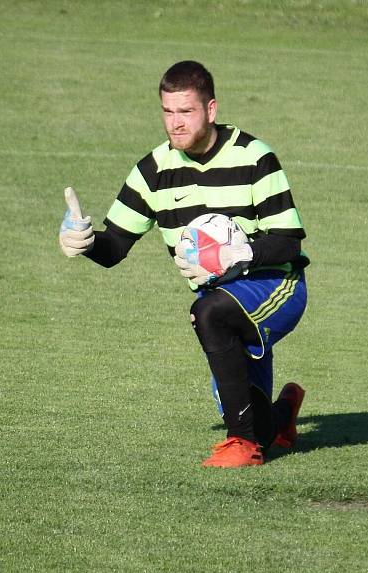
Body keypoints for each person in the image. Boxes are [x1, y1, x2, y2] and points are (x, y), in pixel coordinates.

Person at [59, 60, 309, 468]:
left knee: (207, 312)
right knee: (252, 416)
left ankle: (239, 446)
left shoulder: (255, 158)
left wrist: (243, 253)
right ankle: (278, 419)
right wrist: (84, 241)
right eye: (168, 112)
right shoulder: (153, 170)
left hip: (276, 286)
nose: (175, 123)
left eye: (186, 112)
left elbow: (288, 242)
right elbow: (115, 246)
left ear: (210, 110)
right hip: (221, 301)